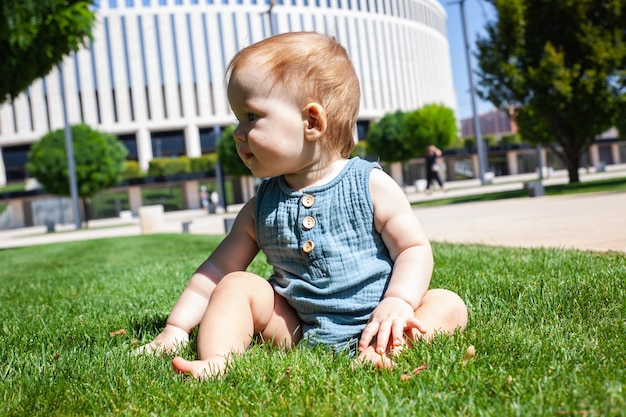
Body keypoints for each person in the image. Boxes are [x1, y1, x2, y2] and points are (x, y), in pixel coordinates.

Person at [138, 32, 468, 379]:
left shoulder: (370, 184)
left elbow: (413, 248)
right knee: (236, 284)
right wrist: (176, 327)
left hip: (378, 318)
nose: (237, 132)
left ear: (311, 122)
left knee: (447, 304)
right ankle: (217, 359)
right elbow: (213, 275)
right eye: (238, 119)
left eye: (251, 117)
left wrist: (398, 301)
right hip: (295, 329)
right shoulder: (259, 207)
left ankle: (383, 349)